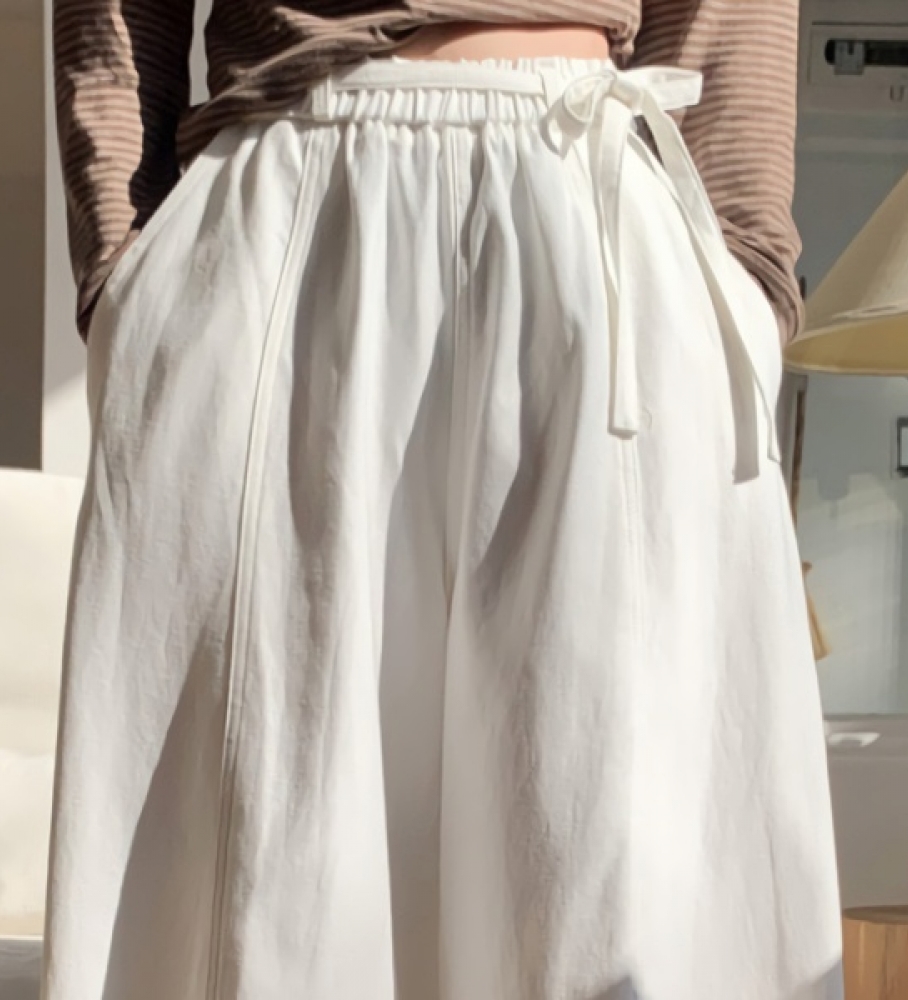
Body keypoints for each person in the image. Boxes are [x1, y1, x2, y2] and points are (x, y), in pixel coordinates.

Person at [43, 3, 844, 999]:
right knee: (277, 852)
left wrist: (742, 277)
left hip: (589, 203)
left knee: (605, 860)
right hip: (287, 201)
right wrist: (125, 282)